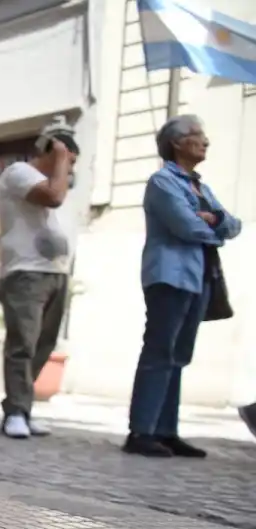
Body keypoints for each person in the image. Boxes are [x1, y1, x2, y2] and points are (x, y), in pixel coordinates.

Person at [124, 115, 242, 457]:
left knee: (179, 355)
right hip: (168, 275)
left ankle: (165, 430)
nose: (206, 141)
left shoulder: (201, 187)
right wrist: (211, 226)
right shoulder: (162, 182)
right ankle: (141, 431)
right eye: (198, 135)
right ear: (177, 143)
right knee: (159, 351)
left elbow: (233, 225)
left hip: (199, 277)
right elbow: (186, 227)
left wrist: (214, 220)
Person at [0, 119, 79, 439]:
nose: (71, 166)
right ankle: (15, 412)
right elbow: (53, 198)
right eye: (69, 156)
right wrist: (59, 158)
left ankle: (22, 407)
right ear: (53, 149)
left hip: (56, 272)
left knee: (43, 345)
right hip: (26, 273)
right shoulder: (19, 173)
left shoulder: (58, 180)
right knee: (23, 345)